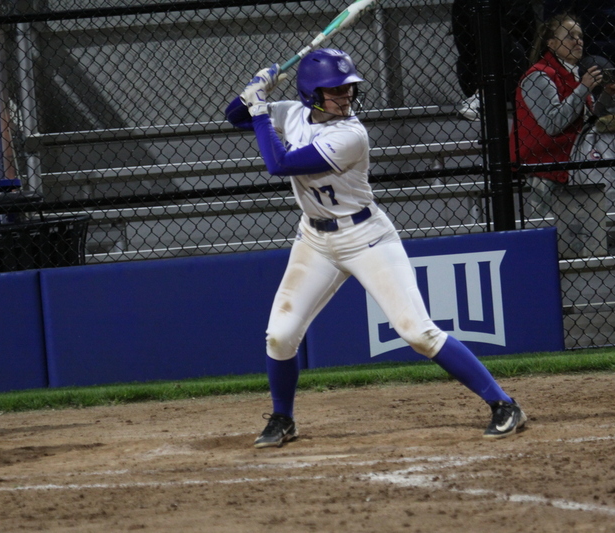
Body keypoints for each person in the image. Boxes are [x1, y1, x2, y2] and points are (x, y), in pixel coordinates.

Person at [225, 48, 527, 448]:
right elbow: (235, 116)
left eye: (349, 89)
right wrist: (256, 88)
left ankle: (504, 404)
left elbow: (278, 164)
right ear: (311, 94)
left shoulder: (350, 134)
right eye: (335, 91)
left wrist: (261, 108)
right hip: (315, 239)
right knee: (279, 336)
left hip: (366, 237)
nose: (346, 97)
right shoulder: (293, 112)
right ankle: (283, 418)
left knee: (417, 332)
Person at [513, 13, 615, 252]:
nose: (578, 41)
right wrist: (584, 88)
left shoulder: (575, 74)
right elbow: (553, 124)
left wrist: (609, 94)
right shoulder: (538, 76)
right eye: (570, 37)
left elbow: (593, 120)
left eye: (580, 36)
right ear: (551, 43)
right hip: (553, 157)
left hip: (583, 150)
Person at [452, 0, 542, 120]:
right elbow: (466, 49)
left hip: (516, 74)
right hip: (478, 76)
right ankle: (481, 94)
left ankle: (483, 94)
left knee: (502, 38)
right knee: (492, 32)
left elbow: (526, 42)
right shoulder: (464, 4)